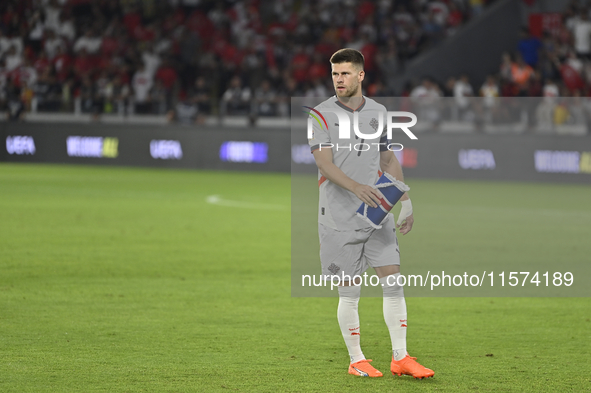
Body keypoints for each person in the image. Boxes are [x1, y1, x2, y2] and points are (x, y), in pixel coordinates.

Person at [308, 48, 434, 379]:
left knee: (394, 281)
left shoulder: (377, 111)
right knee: (349, 292)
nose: (339, 79)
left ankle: (401, 357)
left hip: (375, 214)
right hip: (338, 216)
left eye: (345, 73)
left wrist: (405, 199)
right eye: (335, 73)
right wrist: (355, 187)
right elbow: (324, 163)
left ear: (361, 75)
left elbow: (388, 159)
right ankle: (356, 359)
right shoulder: (319, 115)